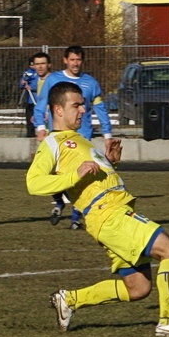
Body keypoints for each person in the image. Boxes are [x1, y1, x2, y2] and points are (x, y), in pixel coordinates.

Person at [28, 81, 169, 337]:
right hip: (109, 215)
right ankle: (168, 322)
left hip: (111, 214)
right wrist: (73, 176)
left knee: (138, 288)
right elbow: (33, 183)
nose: (82, 111)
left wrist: (109, 162)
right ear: (58, 110)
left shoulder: (81, 141)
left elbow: (92, 177)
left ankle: (70, 299)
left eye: (83, 105)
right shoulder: (53, 144)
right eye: (75, 105)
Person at [34, 45, 113, 229]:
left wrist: (107, 133)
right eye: (72, 60)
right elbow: (42, 103)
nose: (75, 63)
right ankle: (59, 202)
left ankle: (76, 218)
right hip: (59, 136)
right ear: (65, 60)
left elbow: (100, 109)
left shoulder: (90, 83)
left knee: (83, 175)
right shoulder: (54, 79)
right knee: (54, 172)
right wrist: (40, 126)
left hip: (82, 137)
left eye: (78, 60)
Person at [19, 53, 52, 138]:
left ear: (49, 65)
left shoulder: (54, 80)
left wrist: (48, 112)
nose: (40, 67)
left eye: (43, 64)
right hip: (42, 125)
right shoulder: (37, 79)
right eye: (37, 64)